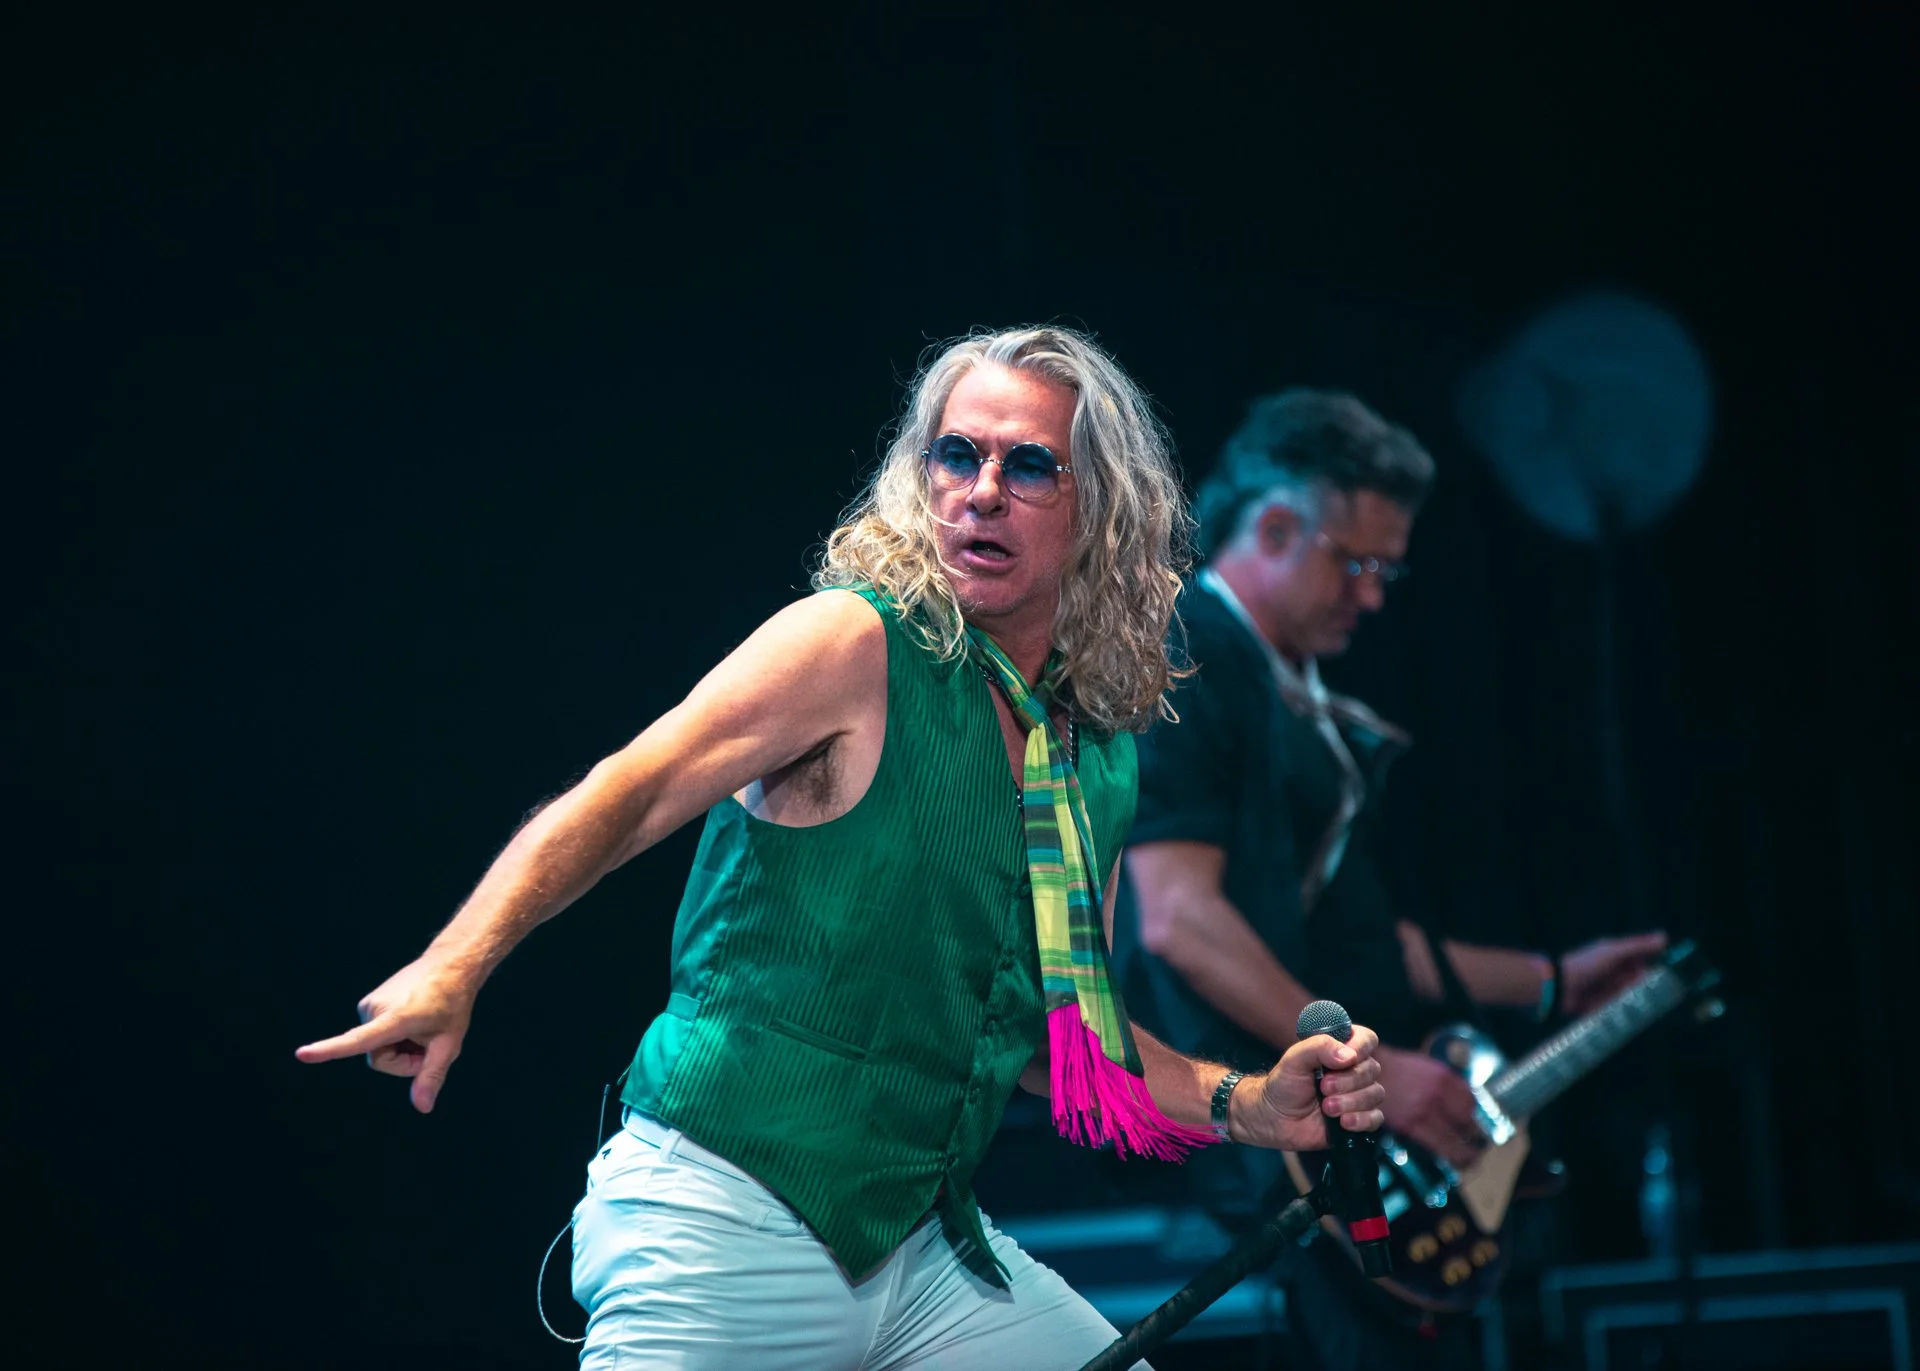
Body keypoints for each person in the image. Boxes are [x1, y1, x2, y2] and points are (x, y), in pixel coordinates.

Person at [296, 329, 1390, 1371]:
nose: (981, 491)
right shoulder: (855, 642)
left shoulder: (1092, 753)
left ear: (1100, 508)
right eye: (955, 455)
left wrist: (1254, 1102)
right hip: (728, 1214)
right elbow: (629, 792)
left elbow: (1067, 1038)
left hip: (922, 1252)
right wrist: (455, 963)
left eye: (1029, 466)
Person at [1110, 388, 1667, 1371]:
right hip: (1258, 1142)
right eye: (1356, 563)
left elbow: (1369, 942)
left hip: (1328, 1134)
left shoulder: (1290, 688)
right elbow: (1177, 920)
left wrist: (1549, 982)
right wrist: (1368, 1074)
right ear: (1274, 528)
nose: (1371, 596)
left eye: (1386, 571)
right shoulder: (1190, 657)